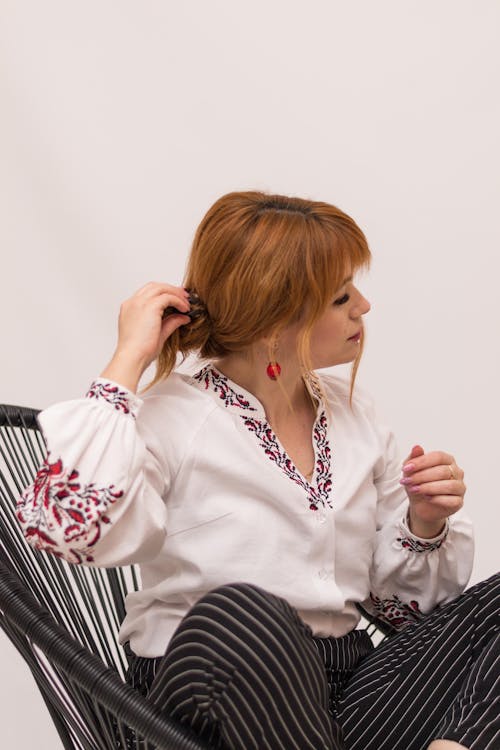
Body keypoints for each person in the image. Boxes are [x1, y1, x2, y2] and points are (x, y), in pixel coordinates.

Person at [17, 191, 498, 750]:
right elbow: (65, 528)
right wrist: (130, 358)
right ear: (277, 316)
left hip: (346, 692)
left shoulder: (353, 412)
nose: (363, 307)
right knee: (244, 613)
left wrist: (424, 523)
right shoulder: (171, 417)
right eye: (342, 296)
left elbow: (399, 612)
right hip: (213, 689)